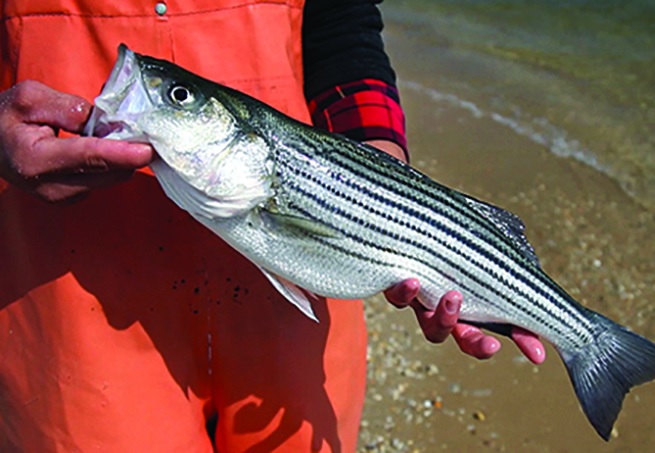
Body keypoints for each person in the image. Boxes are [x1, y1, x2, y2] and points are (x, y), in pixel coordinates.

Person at [0, 0, 544, 451]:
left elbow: (342, 23)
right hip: (67, 286)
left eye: (177, 97)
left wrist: (384, 194)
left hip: (298, 289)